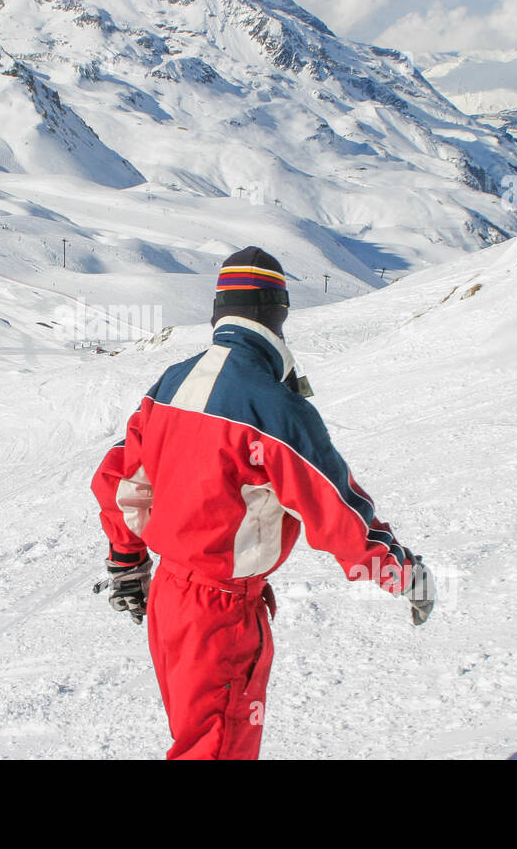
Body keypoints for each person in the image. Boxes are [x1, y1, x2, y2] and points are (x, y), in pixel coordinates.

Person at [91, 247, 435, 760]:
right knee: (217, 749)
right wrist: (402, 573)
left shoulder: (170, 384)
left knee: (196, 741)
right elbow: (335, 513)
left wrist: (128, 563)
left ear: (219, 311)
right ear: (278, 315)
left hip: (170, 597)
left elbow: (122, 478)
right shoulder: (273, 405)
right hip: (220, 613)